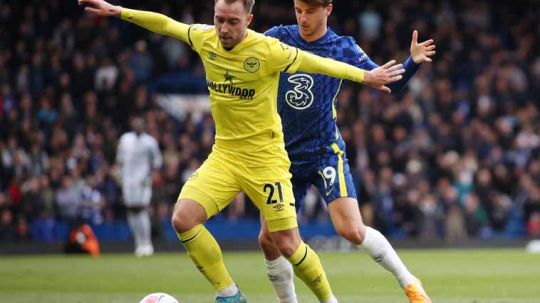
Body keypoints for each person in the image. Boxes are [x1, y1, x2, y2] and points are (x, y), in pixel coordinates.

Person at [79, 0, 404, 302]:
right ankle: (229, 294)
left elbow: (317, 62)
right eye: (218, 20)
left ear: (248, 21)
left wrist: (366, 76)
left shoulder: (268, 49)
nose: (223, 29)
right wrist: (119, 11)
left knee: (288, 244)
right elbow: (166, 24)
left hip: (267, 159)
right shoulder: (204, 38)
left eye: (232, 22)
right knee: (183, 219)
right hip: (225, 155)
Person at [257, 0, 436, 302]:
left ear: (327, 9)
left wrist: (413, 62)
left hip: (324, 150)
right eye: (298, 10)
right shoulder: (277, 37)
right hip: (279, 154)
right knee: (269, 239)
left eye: (310, 11)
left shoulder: (343, 48)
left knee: (351, 230)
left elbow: (388, 83)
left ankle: (408, 281)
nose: (303, 18)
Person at [116, 117, 163, 257]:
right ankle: (138, 243)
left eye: (140, 124)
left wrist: (151, 175)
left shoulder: (150, 142)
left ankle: (146, 243)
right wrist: (119, 175)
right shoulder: (125, 139)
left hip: (142, 181)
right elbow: (120, 159)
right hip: (127, 180)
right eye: (135, 123)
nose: (137, 126)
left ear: (144, 126)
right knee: (131, 211)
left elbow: (157, 161)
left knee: (141, 209)